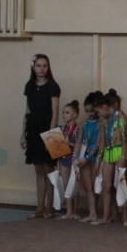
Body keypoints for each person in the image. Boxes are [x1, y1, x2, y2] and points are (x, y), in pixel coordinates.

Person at [21, 54, 61, 219]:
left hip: (50, 130)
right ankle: (39, 208)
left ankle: (49, 208)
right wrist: (23, 134)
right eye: (38, 65)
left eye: (45, 65)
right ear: (33, 67)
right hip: (33, 129)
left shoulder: (53, 86)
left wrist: (50, 137)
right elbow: (27, 111)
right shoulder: (29, 86)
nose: (42, 69)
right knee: (38, 169)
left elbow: (55, 112)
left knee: (49, 170)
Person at [93, 90, 127, 226]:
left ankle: (125, 215)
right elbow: (102, 142)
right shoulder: (103, 121)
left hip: (119, 150)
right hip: (108, 152)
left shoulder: (121, 117)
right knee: (106, 185)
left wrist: (123, 157)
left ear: (104, 107)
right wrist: (98, 161)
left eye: (98, 112)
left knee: (121, 183)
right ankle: (105, 215)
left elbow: (125, 140)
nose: (98, 115)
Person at [75, 91, 103, 223]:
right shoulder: (83, 124)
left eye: (92, 111)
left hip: (95, 156)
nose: (89, 114)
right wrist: (75, 156)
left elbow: (98, 143)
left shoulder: (101, 123)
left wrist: (88, 157)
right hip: (84, 156)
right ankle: (92, 213)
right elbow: (79, 142)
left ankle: (95, 212)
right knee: (88, 187)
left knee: (95, 185)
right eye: (87, 111)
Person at [57, 100, 81, 220]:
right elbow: (58, 147)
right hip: (63, 158)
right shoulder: (62, 129)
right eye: (63, 112)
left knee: (74, 186)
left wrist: (69, 143)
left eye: (67, 113)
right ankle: (69, 211)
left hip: (74, 159)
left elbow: (80, 145)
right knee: (66, 185)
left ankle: (75, 211)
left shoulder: (78, 129)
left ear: (74, 115)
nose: (64, 115)